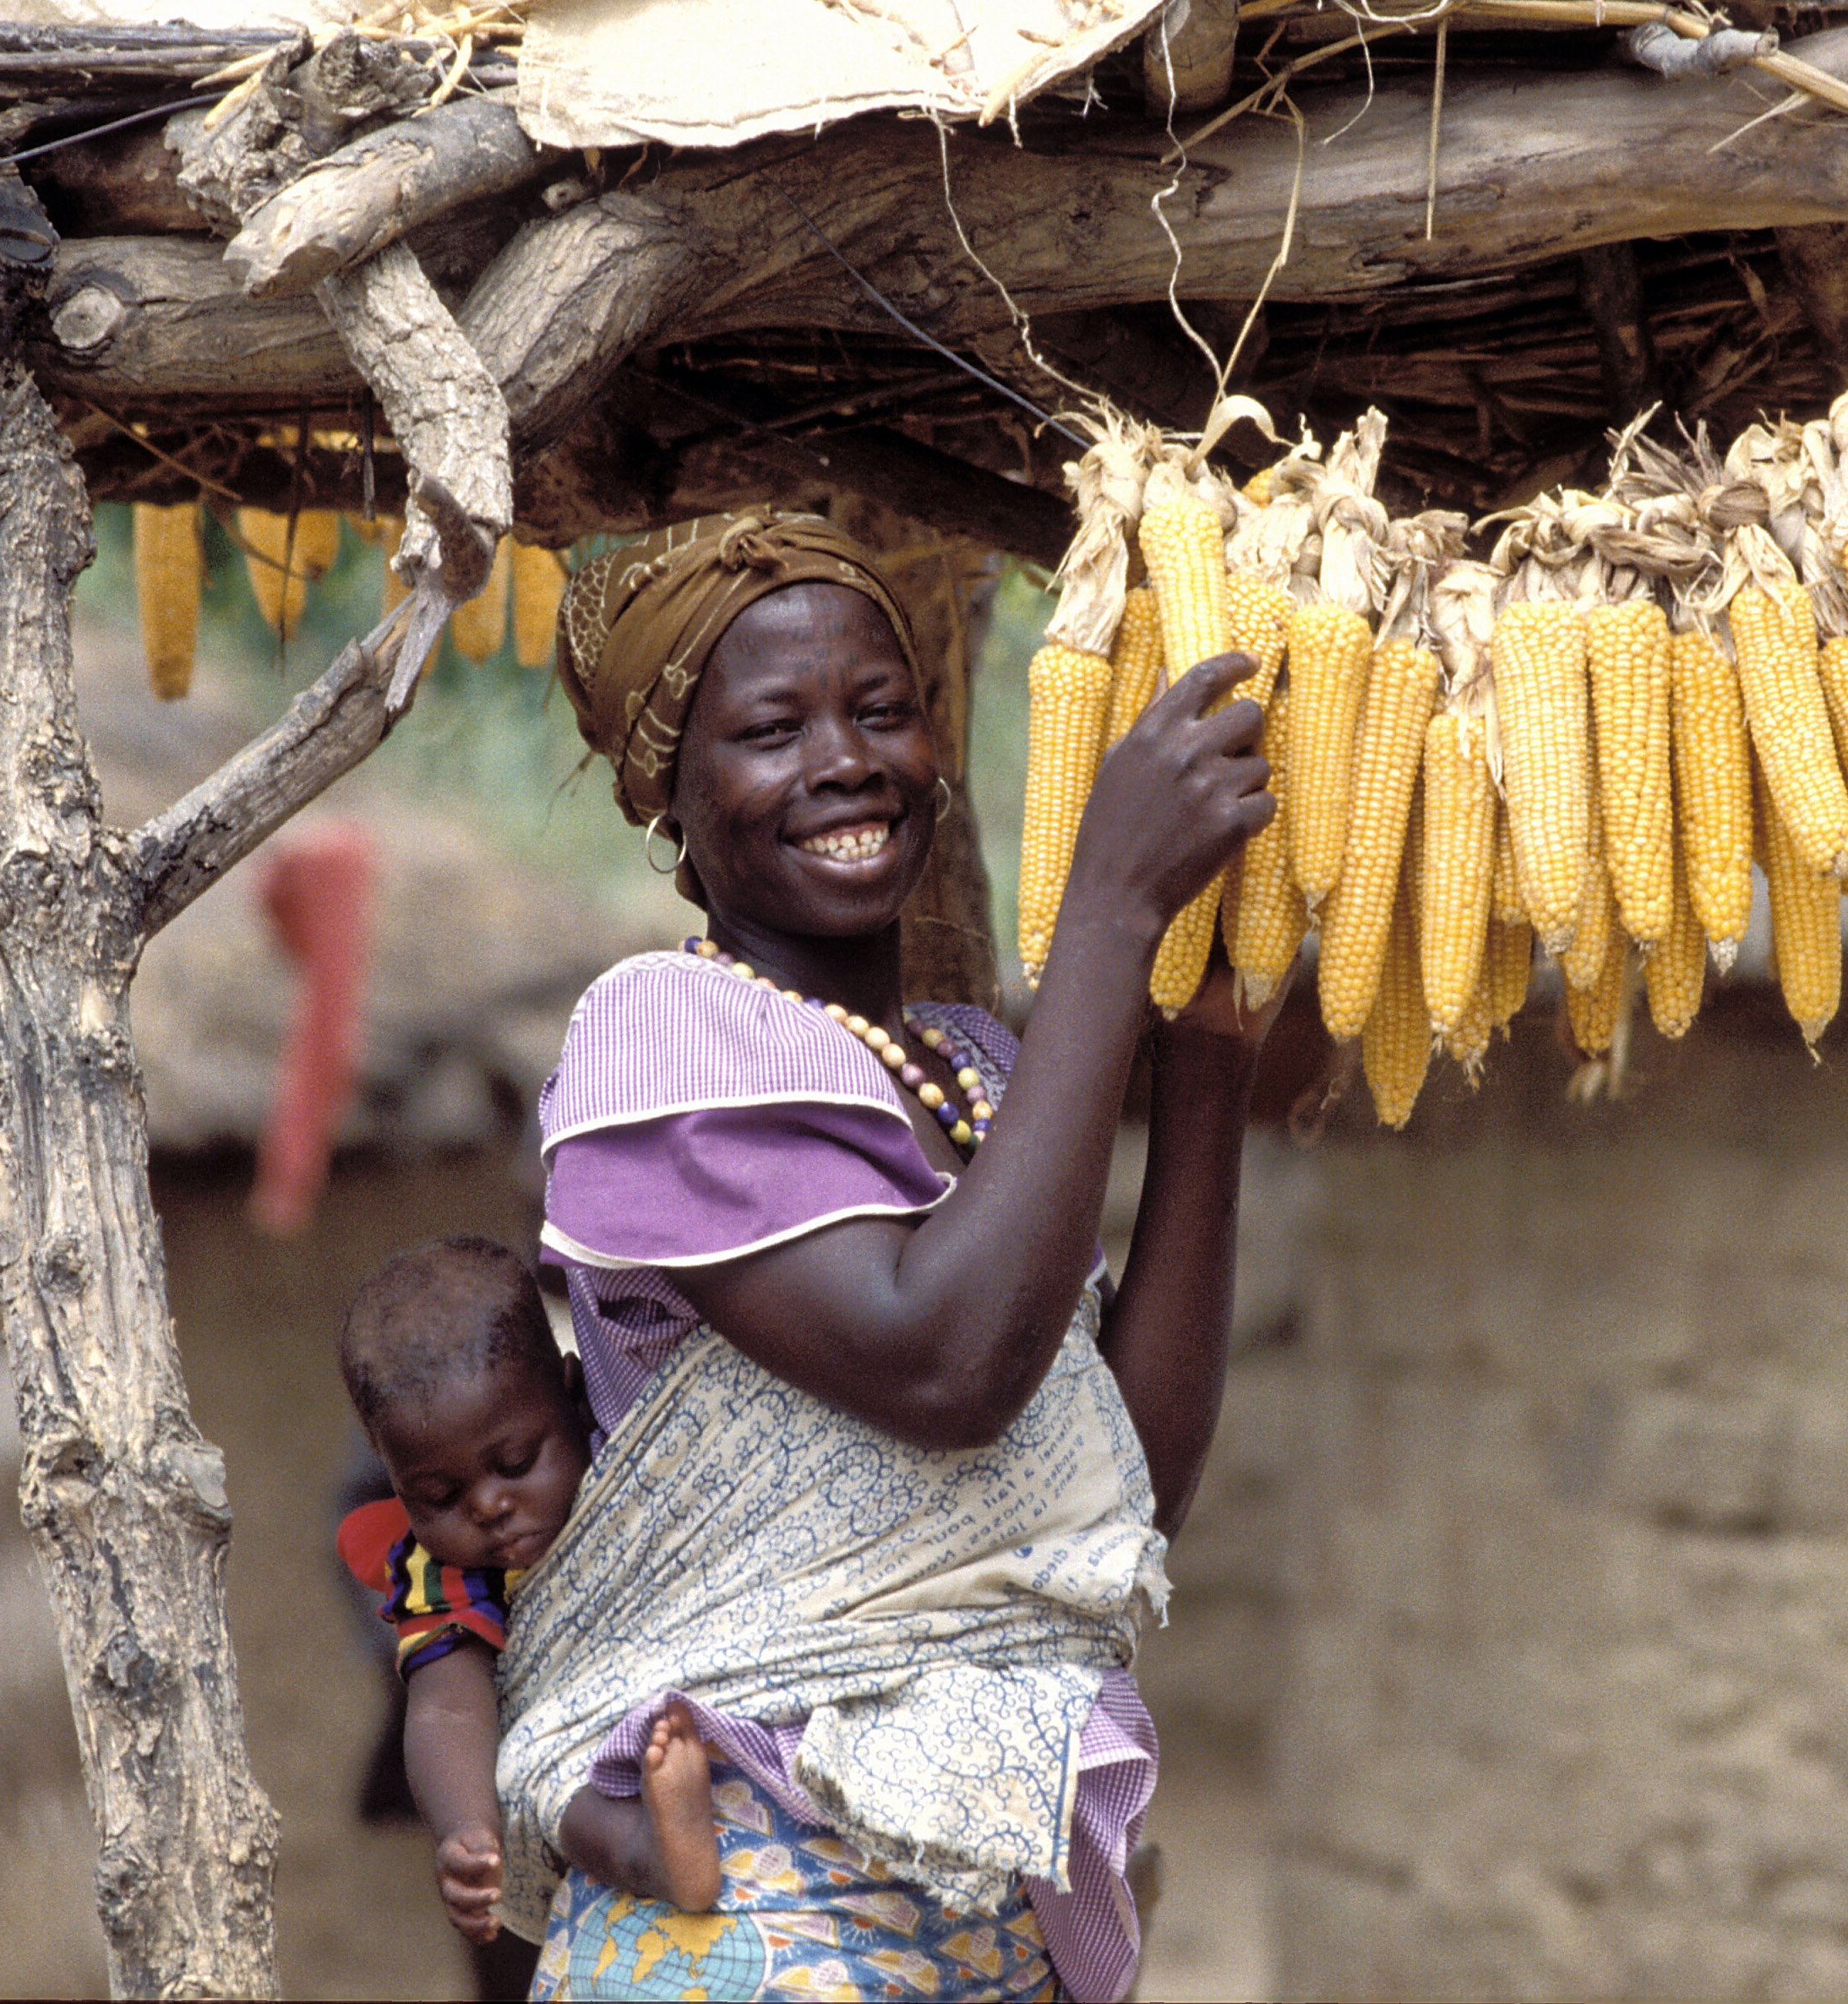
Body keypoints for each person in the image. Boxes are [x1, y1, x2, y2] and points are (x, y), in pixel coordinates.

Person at [492, 508, 1273, 2001]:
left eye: (884, 709)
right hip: (753, 1911)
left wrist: (1212, 1045)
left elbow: (1117, 1486)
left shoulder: (969, 1064)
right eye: (773, 728)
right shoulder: (657, 1039)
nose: (846, 760)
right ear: (668, 793)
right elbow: (950, 1361)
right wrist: (1108, 911)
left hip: (973, 1915)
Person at [335, 1234, 729, 1948]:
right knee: (526, 1779)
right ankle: (657, 1854)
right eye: (438, 1494)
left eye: (515, 1462)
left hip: (713, 1680)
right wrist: (465, 1831)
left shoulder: (639, 1457)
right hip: (586, 1767)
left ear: (577, 1397)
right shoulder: (441, 1572)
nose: (487, 1506)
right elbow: (446, 1707)